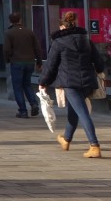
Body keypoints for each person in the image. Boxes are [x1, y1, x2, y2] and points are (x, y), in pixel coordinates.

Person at [39, 11, 104, 158]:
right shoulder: (86, 40)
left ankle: (94, 145)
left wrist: (43, 82)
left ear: (63, 26)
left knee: (82, 112)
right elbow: (99, 61)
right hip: (87, 81)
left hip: (70, 82)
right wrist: (99, 71)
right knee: (74, 110)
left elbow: (50, 65)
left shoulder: (58, 42)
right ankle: (66, 139)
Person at [4, 12, 42, 118]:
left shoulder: (9, 33)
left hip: (16, 62)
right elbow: (37, 47)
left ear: (10, 21)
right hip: (29, 62)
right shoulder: (29, 31)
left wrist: (7, 59)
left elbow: (6, 49)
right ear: (20, 20)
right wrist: (39, 61)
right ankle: (34, 104)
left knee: (17, 86)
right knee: (27, 84)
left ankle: (23, 110)